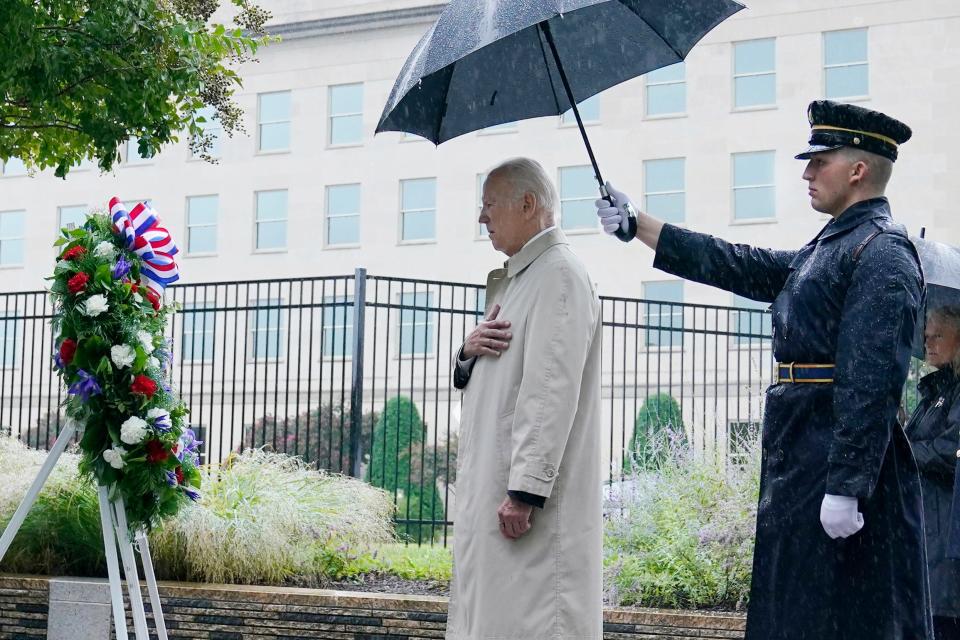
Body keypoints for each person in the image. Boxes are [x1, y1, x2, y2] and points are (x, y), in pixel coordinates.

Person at [595, 100, 930, 639]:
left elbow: (873, 380)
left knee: (843, 615)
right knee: (798, 611)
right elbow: (738, 262)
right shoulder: (831, 246)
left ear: (858, 169)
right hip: (803, 451)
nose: (807, 172)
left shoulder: (882, 250)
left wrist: (846, 483)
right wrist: (639, 225)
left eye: (820, 161)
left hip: (832, 462)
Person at [447, 157, 603, 640]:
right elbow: (499, 378)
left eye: (490, 204)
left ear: (529, 204)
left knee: (533, 622)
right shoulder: (520, 279)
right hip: (496, 492)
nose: (482, 217)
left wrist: (525, 491)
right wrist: (465, 352)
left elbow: (550, 388)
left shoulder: (557, 275)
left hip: (524, 505)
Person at [906, 306, 960, 639]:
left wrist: (904, 451)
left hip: (946, 535)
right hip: (927, 530)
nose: (929, 343)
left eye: (938, 335)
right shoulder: (934, 391)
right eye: (927, 337)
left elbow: (950, 452)